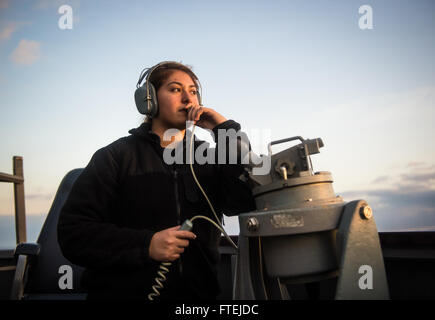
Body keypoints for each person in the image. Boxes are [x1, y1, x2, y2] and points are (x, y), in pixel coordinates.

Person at [57, 61, 256, 300]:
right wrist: (146, 245)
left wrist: (225, 130)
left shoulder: (210, 159)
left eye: (193, 91)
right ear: (148, 99)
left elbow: (243, 202)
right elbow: (73, 233)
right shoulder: (115, 157)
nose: (188, 99)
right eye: (175, 89)